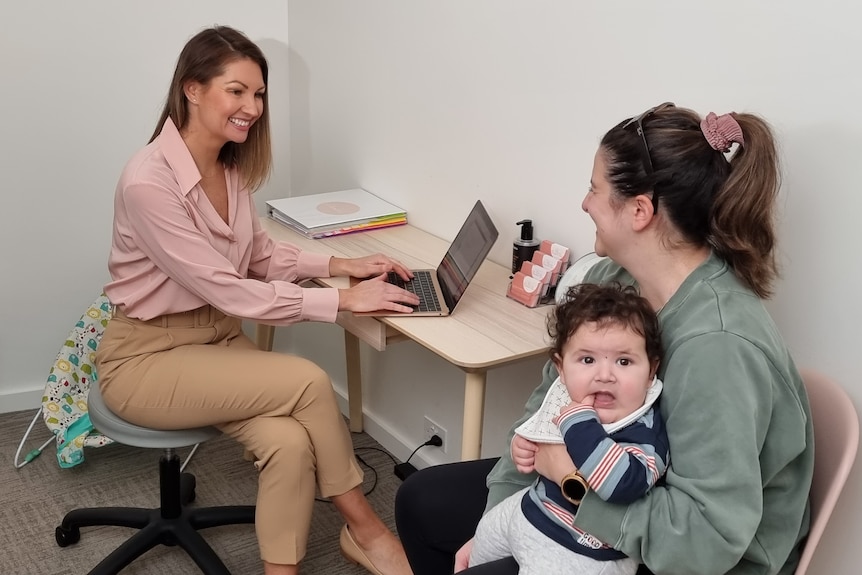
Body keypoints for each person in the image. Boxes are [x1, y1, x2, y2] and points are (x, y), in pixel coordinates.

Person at [395, 102, 814, 575]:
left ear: (639, 210)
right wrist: (500, 521)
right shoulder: (618, 281)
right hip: (596, 484)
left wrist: (569, 481)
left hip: (688, 556)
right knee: (421, 501)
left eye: (594, 188)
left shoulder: (717, 345)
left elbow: (705, 542)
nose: (584, 203)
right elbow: (545, 405)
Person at [95, 25, 419, 575]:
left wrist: (342, 267)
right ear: (192, 90)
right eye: (237, 90)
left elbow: (259, 255)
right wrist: (340, 304)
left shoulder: (228, 167)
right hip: (146, 358)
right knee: (310, 381)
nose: (252, 107)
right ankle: (366, 528)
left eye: (260, 93)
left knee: (290, 443)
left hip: (215, 340)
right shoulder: (149, 182)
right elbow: (225, 287)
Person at [466, 283, 669, 575]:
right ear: (561, 368)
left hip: (582, 551)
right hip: (531, 510)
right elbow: (537, 435)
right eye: (587, 360)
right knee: (484, 535)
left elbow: (624, 484)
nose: (604, 375)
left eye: (624, 361)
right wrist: (524, 447)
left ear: (651, 371)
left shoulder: (643, 430)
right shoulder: (567, 397)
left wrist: (579, 424)